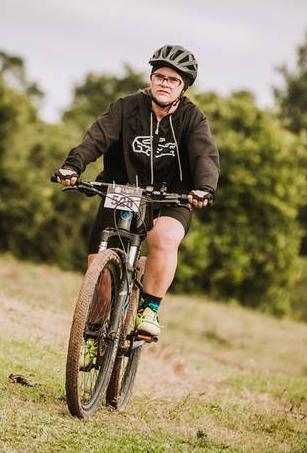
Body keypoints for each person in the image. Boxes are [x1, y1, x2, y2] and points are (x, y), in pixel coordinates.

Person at [54, 44, 220, 350]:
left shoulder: (192, 118)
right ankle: (93, 334)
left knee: (164, 239)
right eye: (160, 76)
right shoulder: (126, 107)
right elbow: (96, 138)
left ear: (183, 87)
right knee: (99, 269)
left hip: (171, 198)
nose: (165, 83)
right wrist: (73, 166)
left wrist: (204, 188)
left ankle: (149, 311)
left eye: (173, 79)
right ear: (151, 78)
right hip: (122, 190)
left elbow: (204, 155)